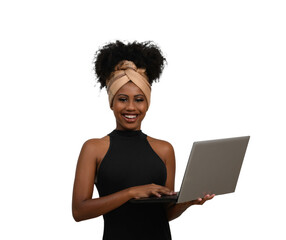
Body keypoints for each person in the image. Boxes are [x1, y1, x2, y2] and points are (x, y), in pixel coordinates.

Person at [72, 40, 215, 240]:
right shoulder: (94, 148)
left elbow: (164, 213)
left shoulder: (164, 149)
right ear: (112, 102)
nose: (131, 107)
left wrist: (187, 202)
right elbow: (79, 211)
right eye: (122, 99)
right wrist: (131, 193)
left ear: (147, 103)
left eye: (139, 99)